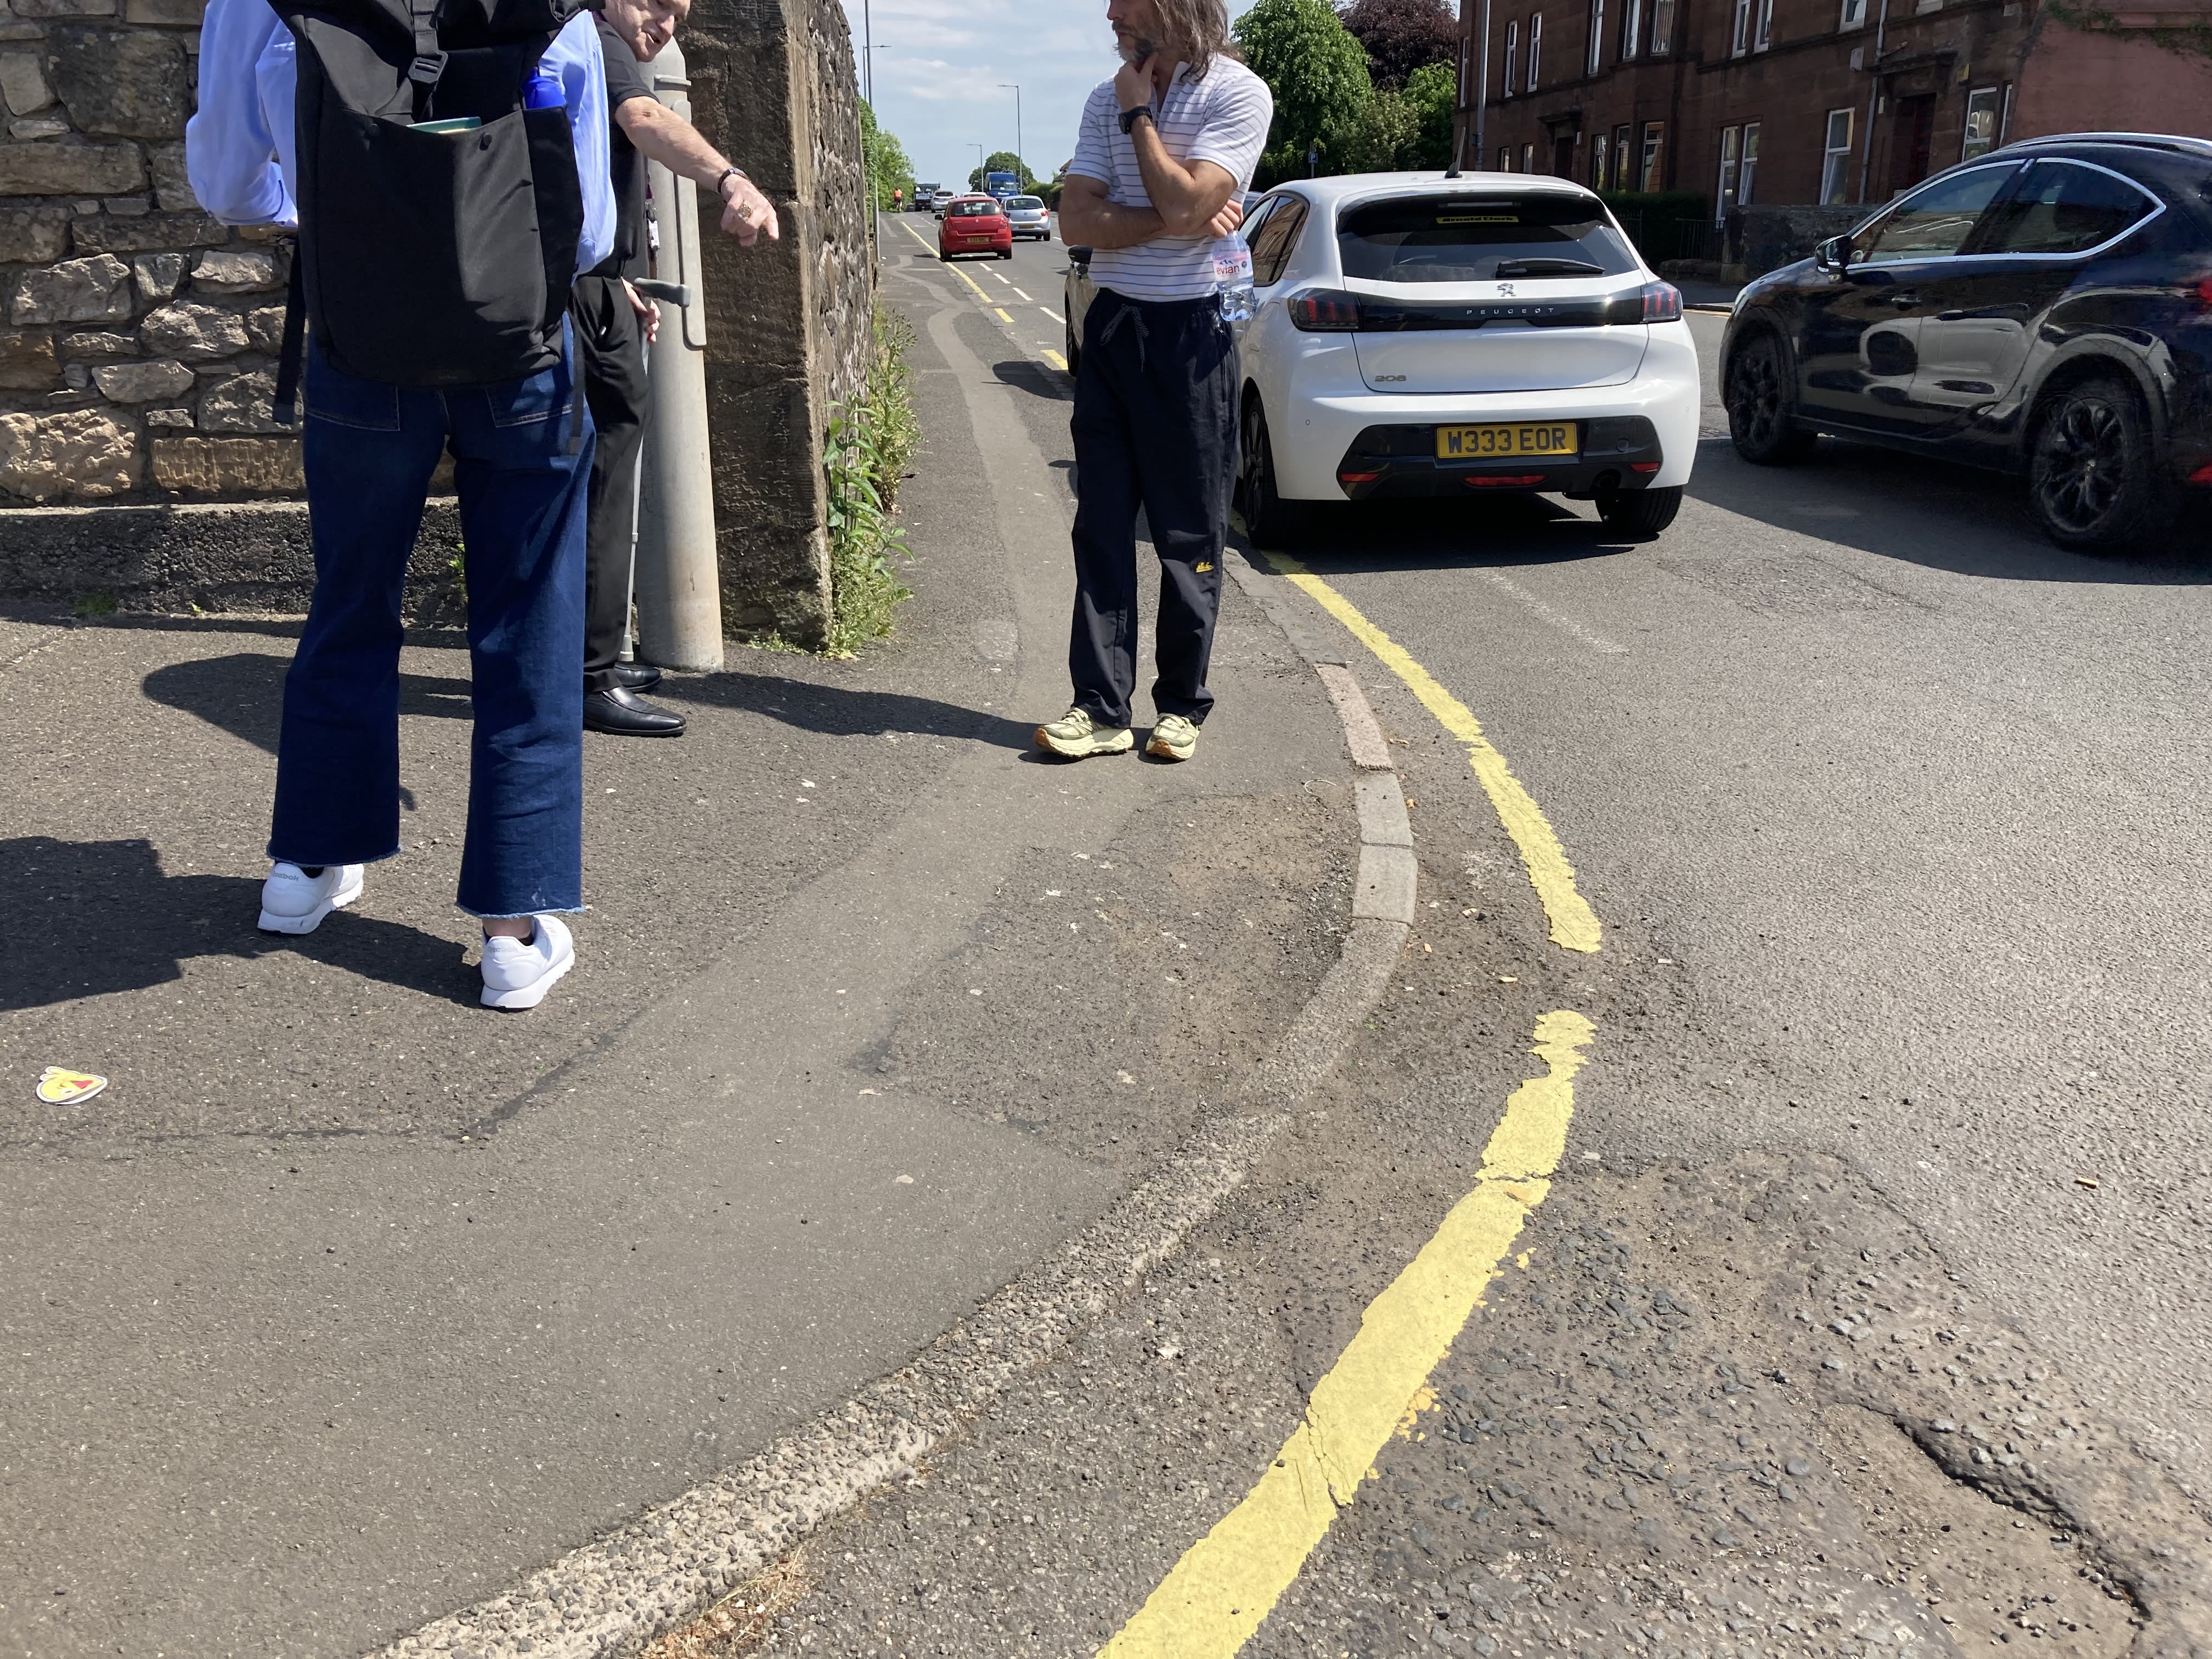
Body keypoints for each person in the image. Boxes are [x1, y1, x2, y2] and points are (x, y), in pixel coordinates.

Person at [189, 0, 614, 1010]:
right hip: (519, 348)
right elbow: (588, 227)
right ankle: (513, 927)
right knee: (528, 620)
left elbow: (227, 183)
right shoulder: (558, 6)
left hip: (360, 339)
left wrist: (349, 215)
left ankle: (305, 871)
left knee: (352, 597)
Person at [1038, 0, 1271, 765]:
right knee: (1101, 524)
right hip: (1112, 329)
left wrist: (1142, 125)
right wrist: (1171, 214)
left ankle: (1180, 707)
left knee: (1187, 533)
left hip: (1190, 334)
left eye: (1126, 6)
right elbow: (1076, 220)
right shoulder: (1103, 96)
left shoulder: (1237, 93)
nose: (1110, 14)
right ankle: (1101, 707)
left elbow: (1179, 200)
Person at [576, 0, 781, 737]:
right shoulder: (597, 38)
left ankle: (589, 655)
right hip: (583, 297)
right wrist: (731, 179)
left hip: (597, 285)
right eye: (657, 3)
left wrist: (613, 276)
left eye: (680, 15)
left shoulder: (590, 38)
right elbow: (645, 123)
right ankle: (590, 675)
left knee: (599, 470)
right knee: (600, 475)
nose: (667, 23)